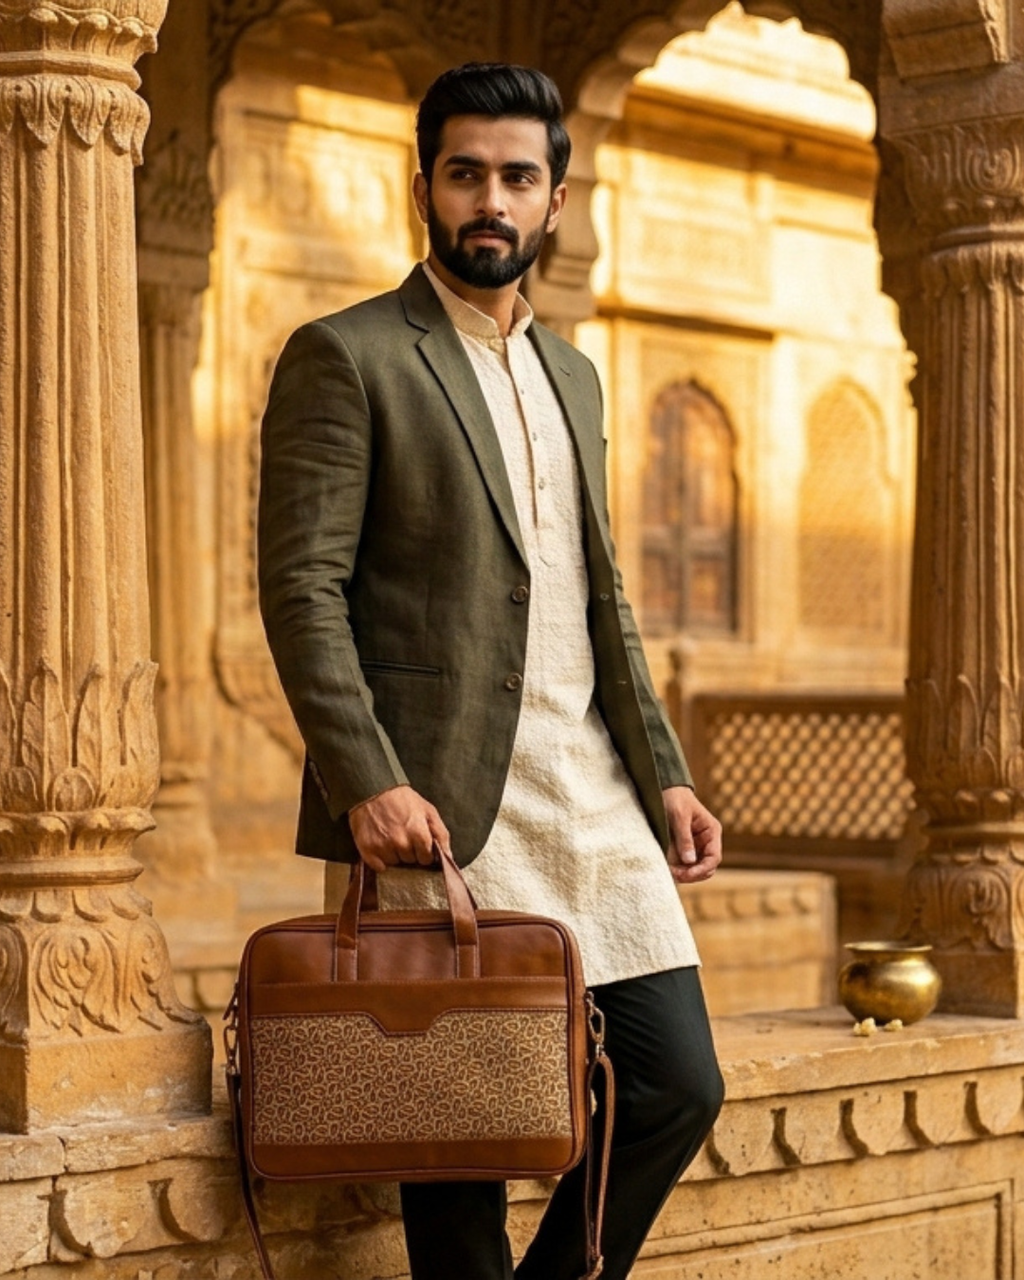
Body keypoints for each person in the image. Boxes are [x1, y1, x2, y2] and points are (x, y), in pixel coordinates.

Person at [258, 61, 725, 1280]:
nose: (491, 201)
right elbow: (302, 588)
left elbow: (600, 592)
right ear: (421, 185)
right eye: (465, 173)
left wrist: (665, 772)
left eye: (518, 177)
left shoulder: (574, 373)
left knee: (675, 1081)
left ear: (555, 199)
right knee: (455, 1132)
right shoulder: (348, 354)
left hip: (590, 789)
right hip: (438, 798)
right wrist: (366, 778)